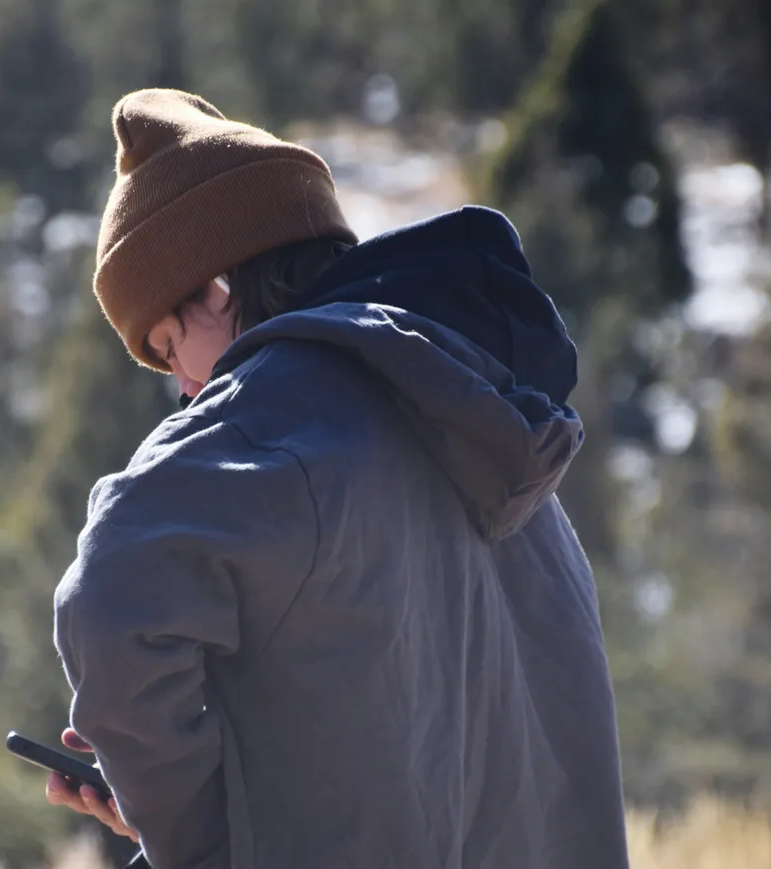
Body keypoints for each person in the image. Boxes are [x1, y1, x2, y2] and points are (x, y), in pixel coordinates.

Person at [45, 87, 630, 869]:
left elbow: (110, 591)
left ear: (214, 287)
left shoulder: (264, 427)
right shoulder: (503, 440)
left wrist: (200, 838)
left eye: (166, 340)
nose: (184, 387)